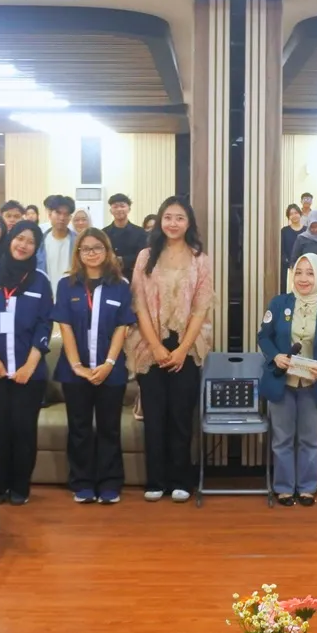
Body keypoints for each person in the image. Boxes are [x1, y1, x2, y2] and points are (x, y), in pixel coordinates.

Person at [128, 196, 214, 502]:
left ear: (189, 223)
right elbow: (138, 304)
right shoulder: (145, 256)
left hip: (187, 347)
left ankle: (180, 480)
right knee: (154, 416)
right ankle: (155, 480)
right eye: (168, 217)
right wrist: (155, 346)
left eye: (179, 218)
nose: (173, 223)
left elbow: (202, 307)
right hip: (149, 344)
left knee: (180, 416)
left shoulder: (200, 259)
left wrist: (182, 350)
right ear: (160, 221)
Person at [0, 221, 52, 505]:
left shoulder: (40, 280)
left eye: (30, 241)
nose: (23, 245)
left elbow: (44, 324)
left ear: (36, 248)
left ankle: (20, 488)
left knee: (24, 430)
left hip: (28, 371)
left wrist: (30, 365)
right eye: (20, 238)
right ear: (10, 239)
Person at [54, 228, 136, 505]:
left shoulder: (120, 285)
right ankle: (82, 483)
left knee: (109, 428)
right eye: (86, 248)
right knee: (79, 428)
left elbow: (122, 326)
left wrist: (109, 363)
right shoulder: (66, 285)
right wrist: (77, 365)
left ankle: (110, 483)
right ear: (78, 253)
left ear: (107, 251)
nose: (92, 253)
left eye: (97, 248)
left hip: (110, 370)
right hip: (74, 371)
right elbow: (65, 326)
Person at [258, 252, 317, 506]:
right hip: (282, 381)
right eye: (299, 273)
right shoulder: (278, 303)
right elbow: (264, 337)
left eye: (310, 273)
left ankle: (307, 488)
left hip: (312, 383)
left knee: (309, 439)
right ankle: (284, 488)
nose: (303, 279)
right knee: (282, 439)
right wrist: (275, 356)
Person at [104, 193, 149, 282]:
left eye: (122, 206)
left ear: (129, 209)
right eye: (115, 206)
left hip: (134, 278)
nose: (119, 209)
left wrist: (122, 260)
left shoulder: (140, 233)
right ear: (111, 210)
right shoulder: (104, 233)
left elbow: (144, 256)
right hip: (109, 278)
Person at [39, 194, 77, 295]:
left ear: (70, 217)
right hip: (45, 295)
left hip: (70, 296)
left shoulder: (78, 242)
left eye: (66, 214)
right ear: (50, 214)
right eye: (58, 213)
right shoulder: (40, 242)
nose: (62, 217)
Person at [280, 204, 303, 288]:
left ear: (300, 214)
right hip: (288, 267)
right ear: (288, 217)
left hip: (304, 266)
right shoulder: (284, 231)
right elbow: (281, 250)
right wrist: (288, 263)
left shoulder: (306, 230)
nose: (294, 216)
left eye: (296, 213)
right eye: (291, 214)